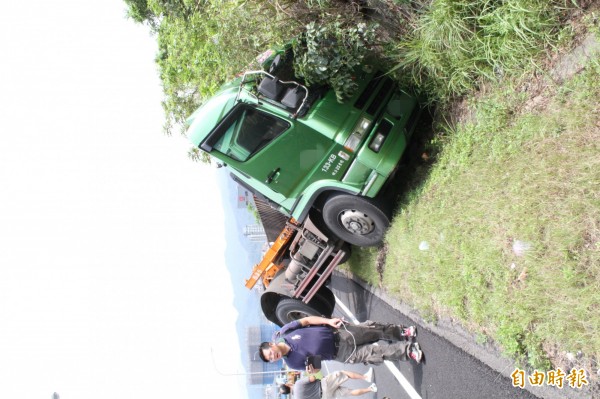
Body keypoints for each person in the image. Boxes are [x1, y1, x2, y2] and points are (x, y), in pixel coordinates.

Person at [258, 316, 423, 370]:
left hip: (339, 334)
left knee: (373, 330)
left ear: (271, 345)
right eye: (271, 359)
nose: (274, 357)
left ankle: (402, 332)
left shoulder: (285, 332)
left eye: (270, 354)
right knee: (376, 354)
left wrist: (329, 321)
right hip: (340, 354)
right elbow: (316, 368)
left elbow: (306, 321)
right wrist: (314, 371)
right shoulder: (293, 363)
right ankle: (409, 350)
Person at [293, 367, 377, 399]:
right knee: (344, 373)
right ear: (287, 385)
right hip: (323, 385)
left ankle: (371, 389)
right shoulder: (297, 384)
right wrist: (310, 373)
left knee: (349, 392)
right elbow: (313, 378)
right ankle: (366, 377)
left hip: (325, 397)